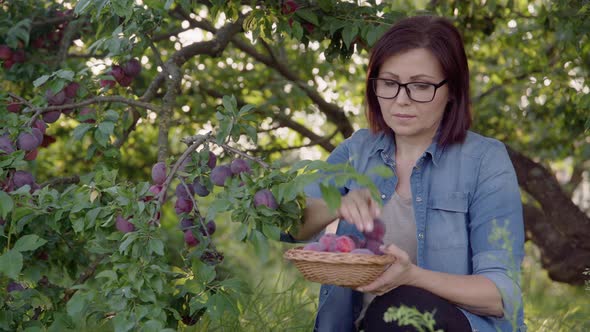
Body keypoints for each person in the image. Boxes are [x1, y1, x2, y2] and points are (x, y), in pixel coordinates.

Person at [281, 15, 526, 332]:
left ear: (452, 90)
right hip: (359, 326)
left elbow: (502, 296)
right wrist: (335, 205)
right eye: (389, 83)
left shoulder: (484, 161)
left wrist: (414, 277)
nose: (401, 100)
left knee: (401, 309)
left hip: (448, 325)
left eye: (421, 86)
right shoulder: (357, 152)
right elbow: (286, 223)